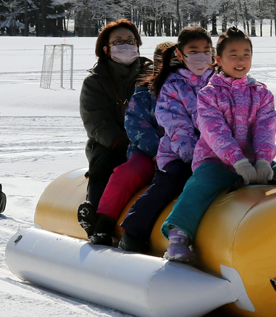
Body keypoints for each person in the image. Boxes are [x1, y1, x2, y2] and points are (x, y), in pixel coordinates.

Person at [159, 26, 276, 262]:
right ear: (218, 59)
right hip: (216, 161)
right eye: (234, 55)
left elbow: (265, 129)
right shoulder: (208, 94)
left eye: (246, 54)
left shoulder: (261, 93)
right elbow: (214, 131)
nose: (241, 61)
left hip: (255, 162)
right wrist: (238, 161)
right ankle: (178, 236)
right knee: (199, 186)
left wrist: (262, 160)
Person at [117, 26, 215, 253]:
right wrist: (194, 157)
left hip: (216, 154)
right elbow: (177, 126)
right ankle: (134, 230)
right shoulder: (171, 86)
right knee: (171, 180)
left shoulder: (219, 83)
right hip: (180, 154)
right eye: (194, 50)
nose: (201, 56)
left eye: (206, 50)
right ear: (180, 54)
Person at [87, 41, 174, 245]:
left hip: (180, 155)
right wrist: (155, 152)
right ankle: (104, 223)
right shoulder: (145, 93)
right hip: (147, 154)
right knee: (127, 173)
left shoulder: (191, 91)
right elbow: (136, 125)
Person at [78, 20, 151, 232]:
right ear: (106, 48)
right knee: (105, 164)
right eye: (118, 42)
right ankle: (94, 213)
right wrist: (120, 142)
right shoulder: (95, 82)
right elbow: (96, 121)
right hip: (109, 144)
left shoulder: (151, 75)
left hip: (147, 141)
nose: (126, 45)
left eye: (130, 41)